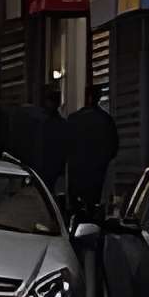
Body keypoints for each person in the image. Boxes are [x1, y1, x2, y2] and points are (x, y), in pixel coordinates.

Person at [62, 84, 120, 225]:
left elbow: (65, 144)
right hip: (97, 172)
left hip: (77, 171)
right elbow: (113, 147)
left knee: (76, 208)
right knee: (93, 205)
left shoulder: (74, 119)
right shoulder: (106, 120)